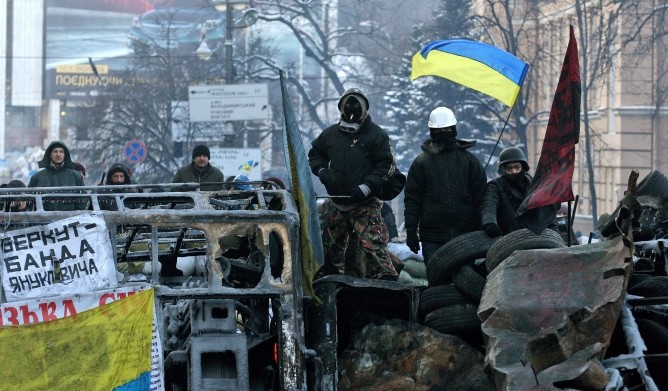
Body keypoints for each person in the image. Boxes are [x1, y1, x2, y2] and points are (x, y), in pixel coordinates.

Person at [308, 87, 398, 281]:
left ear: (365, 110)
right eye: (347, 105)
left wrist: (366, 187)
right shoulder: (330, 134)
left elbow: (388, 165)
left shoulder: (376, 135)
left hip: (365, 205)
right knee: (328, 252)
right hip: (336, 204)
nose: (351, 109)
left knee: (376, 251)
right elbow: (314, 154)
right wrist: (322, 171)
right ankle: (328, 288)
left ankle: (387, 290)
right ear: (340, 108)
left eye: (356, 105)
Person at [403, 107, 487, 264]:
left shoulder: (470, 162)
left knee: (467, 283)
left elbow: (482, 198)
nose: (444, 133)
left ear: (454, 129)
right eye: (439, 130)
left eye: (447, 129)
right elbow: (412, 200)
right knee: (437, 284)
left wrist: (483, 226)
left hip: (466, 235)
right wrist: (411, 231)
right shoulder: (421, 163)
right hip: (432, 238)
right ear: (432, 131)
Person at [480, 146, 559, 238]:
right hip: (508, 238)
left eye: (517, 167)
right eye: (509, 168)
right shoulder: (495, 186)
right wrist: (489, 222)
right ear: (503, 169)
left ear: (523, 167)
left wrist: (554, 235)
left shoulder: (536, 186)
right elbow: (489, 204)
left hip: (536, 236)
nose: (513, 171)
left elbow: (547, 213)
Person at [28, 140, 86, 211]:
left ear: (65, 155)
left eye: (61, 152)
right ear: (50, 155)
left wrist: (77, 218)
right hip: (44, 220)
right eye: (55, 151)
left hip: (70, 220)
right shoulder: (37, 177)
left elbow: (82, 201)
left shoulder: (76, 176)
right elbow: (29, 202)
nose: (58, 154)